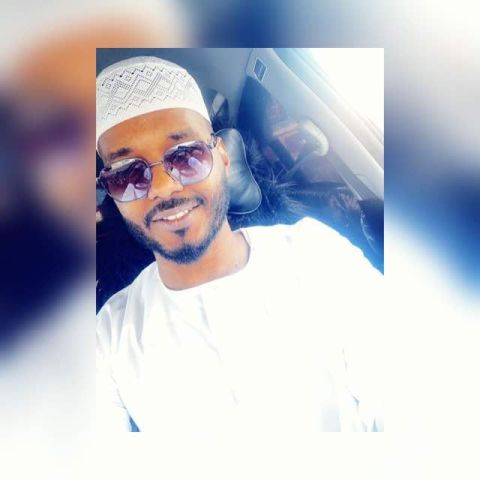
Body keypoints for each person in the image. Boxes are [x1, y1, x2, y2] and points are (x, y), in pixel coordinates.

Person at [96, 56, 383, 435]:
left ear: (223, 157)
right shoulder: (110, 336)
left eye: (186, 156)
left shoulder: (317, 255)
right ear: (112, 193)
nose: (164, 188)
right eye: (128, 175)